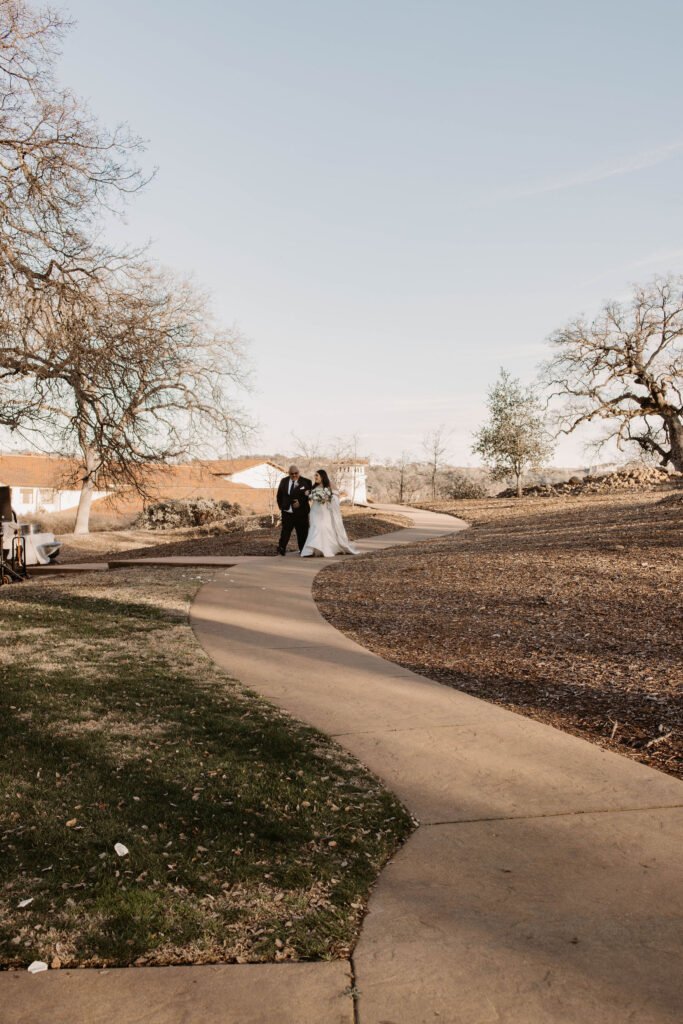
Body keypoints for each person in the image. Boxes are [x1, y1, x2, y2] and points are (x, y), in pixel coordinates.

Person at [300, 469, 359, 558]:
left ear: (322, 476)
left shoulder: (330, 485)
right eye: (315, 476)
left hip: (324, 511)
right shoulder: (314, 486)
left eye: (317, 475)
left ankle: (326, 549)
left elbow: (336, 497)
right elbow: (311, 496)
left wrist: (327, 498)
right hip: (315, 511)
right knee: (314, 527)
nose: (315, 477)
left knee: (323, 528)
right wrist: (308, 494)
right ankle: (310, 550)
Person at [276, 465, 313, 555]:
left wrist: (300, 502)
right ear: (289, 473)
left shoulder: (306, 482)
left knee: (302, 532)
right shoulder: (284, 481)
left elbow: (309, 496)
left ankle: (302, 550)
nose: (294, 475)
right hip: (287, 512)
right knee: (285, 531)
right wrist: (281, 506)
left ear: (299, 473)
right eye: (292, 474)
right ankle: (282, 548)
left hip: (301, 512)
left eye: (296, 473)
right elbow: (279, 495)